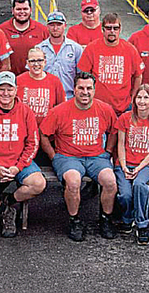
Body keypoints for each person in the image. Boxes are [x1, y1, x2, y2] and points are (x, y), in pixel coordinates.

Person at [40, 72, 118, 242]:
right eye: (81, 88)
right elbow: (43, 134)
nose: (85, 92)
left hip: (97, 156)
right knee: (74, 182)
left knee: (110, 181)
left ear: (95, 90)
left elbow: (114, 130)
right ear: (74, 89)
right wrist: (54, 157)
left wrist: (109, 151)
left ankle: (105, 218)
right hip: (68, 157)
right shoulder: (59, 111)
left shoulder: (104, 109)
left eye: (89, 88)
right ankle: (74, 220)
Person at [0, 71, 45, 238]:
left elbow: (33, 143)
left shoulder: (25, 111)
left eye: (9, 89)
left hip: (18, 162)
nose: (5, 93)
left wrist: (18, 167)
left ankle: (8, 199)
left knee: (38, 184)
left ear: (16, 90)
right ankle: (4, 212)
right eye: (1, 89)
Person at [114, 84, 149, 245]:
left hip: (145, 165)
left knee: (139, 185)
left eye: (146, 97)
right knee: (125, 195)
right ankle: (127, 218)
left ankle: (142, 225)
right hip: (124, 163)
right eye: (139, 97)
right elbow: (120, 144)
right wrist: (123, 166)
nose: (142, 101)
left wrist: (138, 168)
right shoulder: (125, 118)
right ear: (134, 99)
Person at [77, 13, 144, 116]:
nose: (112, 31)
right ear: (102, 29)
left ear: (120, 29)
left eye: (115, 28)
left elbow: (138, 75)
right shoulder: (92, 48)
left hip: (124, 108)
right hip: (98, 108)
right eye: (108, 28)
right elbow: (83, 77)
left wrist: (134, 98)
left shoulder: (130, 49)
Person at [0, 0, 50, 75]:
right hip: (9, 80)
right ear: (12, 10)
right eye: (18, 9)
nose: (22, 12)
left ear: (31, 10)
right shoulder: (1, 30)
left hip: (34, 78)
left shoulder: (42, 30)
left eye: (25, 9)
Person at [36, 11, 82, 99]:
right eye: (52, 25)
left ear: (65, 25)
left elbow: (80, 75)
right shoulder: (39, 49)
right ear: (47, 26)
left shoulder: (76, 48)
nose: (55, 28)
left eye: (59, 25)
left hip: (69, 96)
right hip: (45, 96)